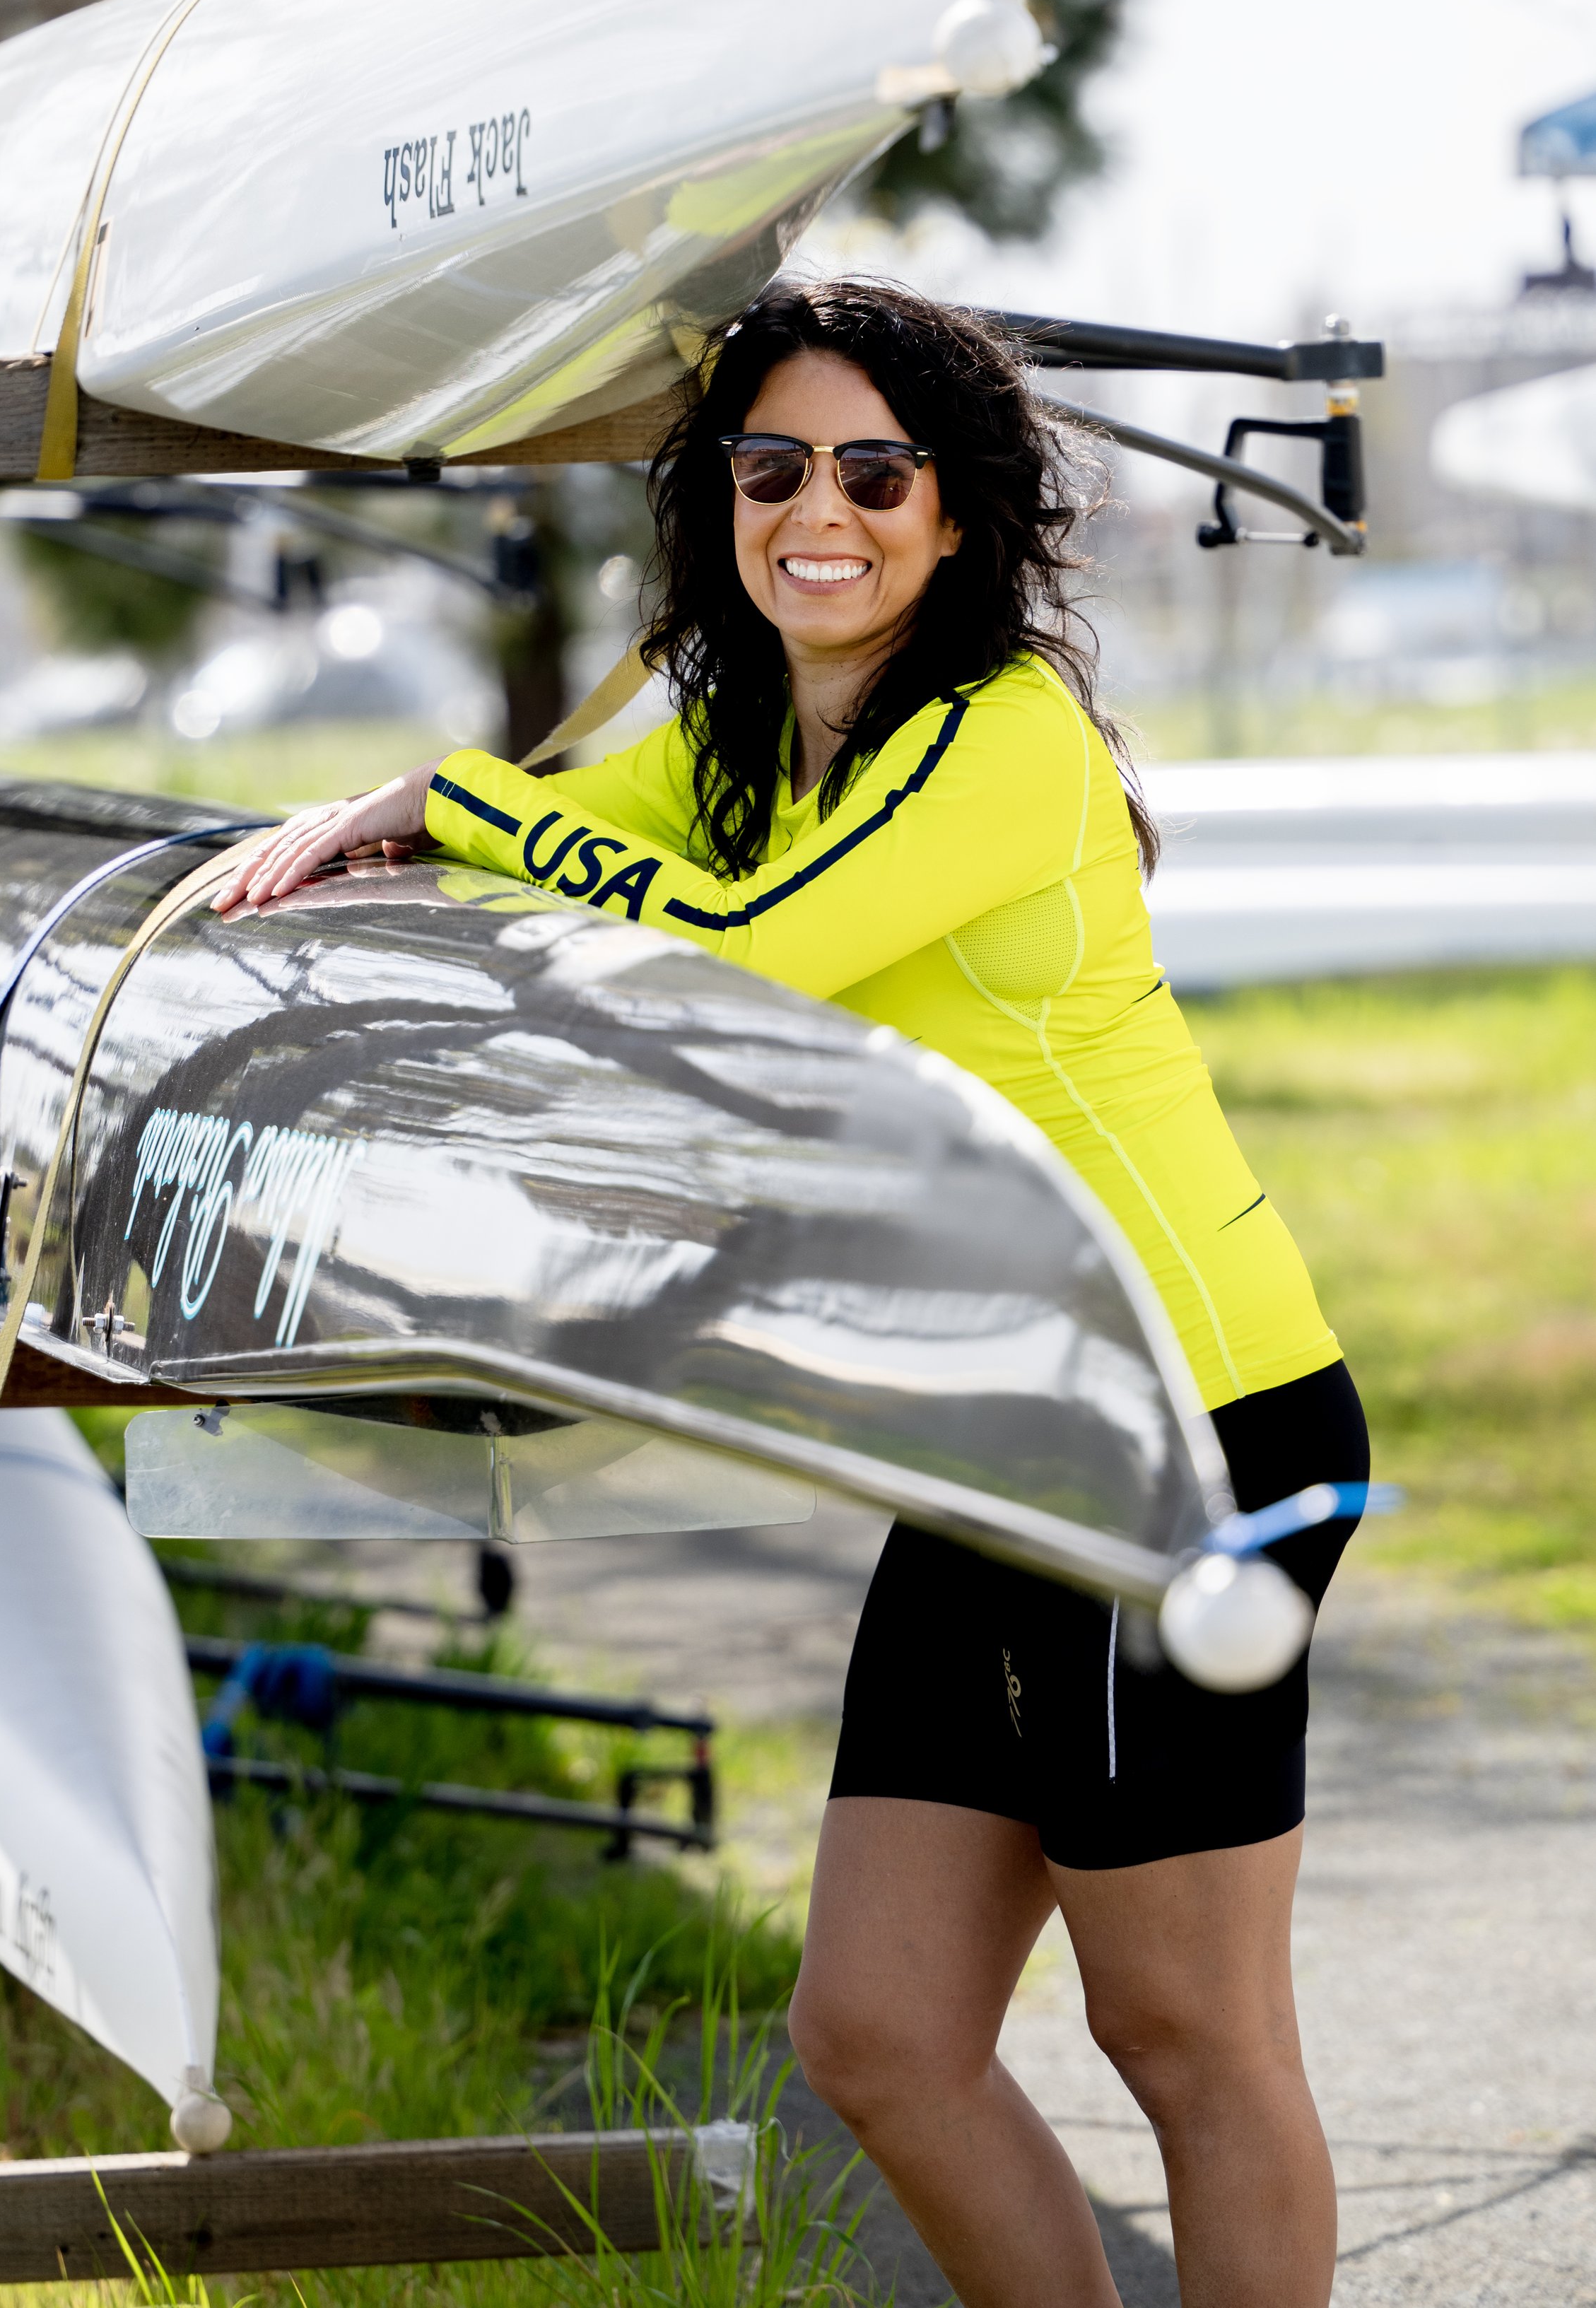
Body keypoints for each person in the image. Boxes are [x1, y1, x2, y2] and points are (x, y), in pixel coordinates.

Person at [212, 281, 1366, 2308]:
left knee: (1184, 2035)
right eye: (764, 466)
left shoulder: (1002, 734)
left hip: (1185, 1423)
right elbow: (570, 861)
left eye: (867, 469)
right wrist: (373, 847)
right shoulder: (740, 729)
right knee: (879, 2033)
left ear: (954, 506)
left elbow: (746, 947)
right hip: (991, 1424)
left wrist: (456, 794)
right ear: (718, 496)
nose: (809, 508)